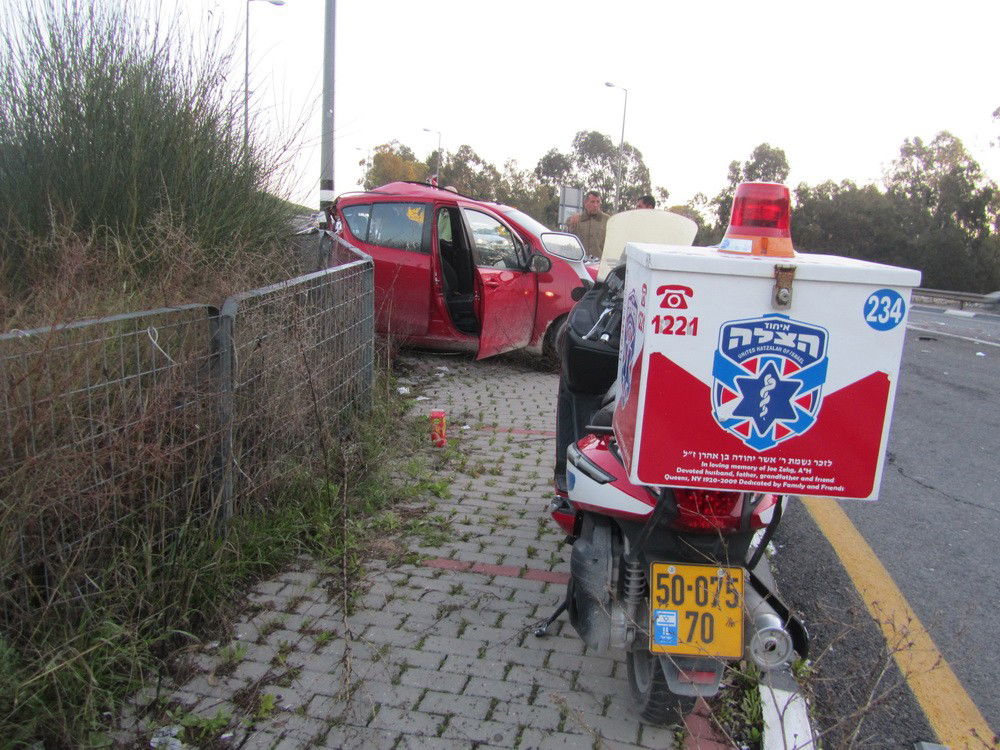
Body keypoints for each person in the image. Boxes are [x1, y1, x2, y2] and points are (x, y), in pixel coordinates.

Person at [566, 190, 609, 257]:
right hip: (580, 261)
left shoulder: (607, 220)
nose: (595, 205)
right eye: (592, 202)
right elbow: (568, 241)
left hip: (599, 263)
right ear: (585, 203)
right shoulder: (576, 219)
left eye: (598, 202)